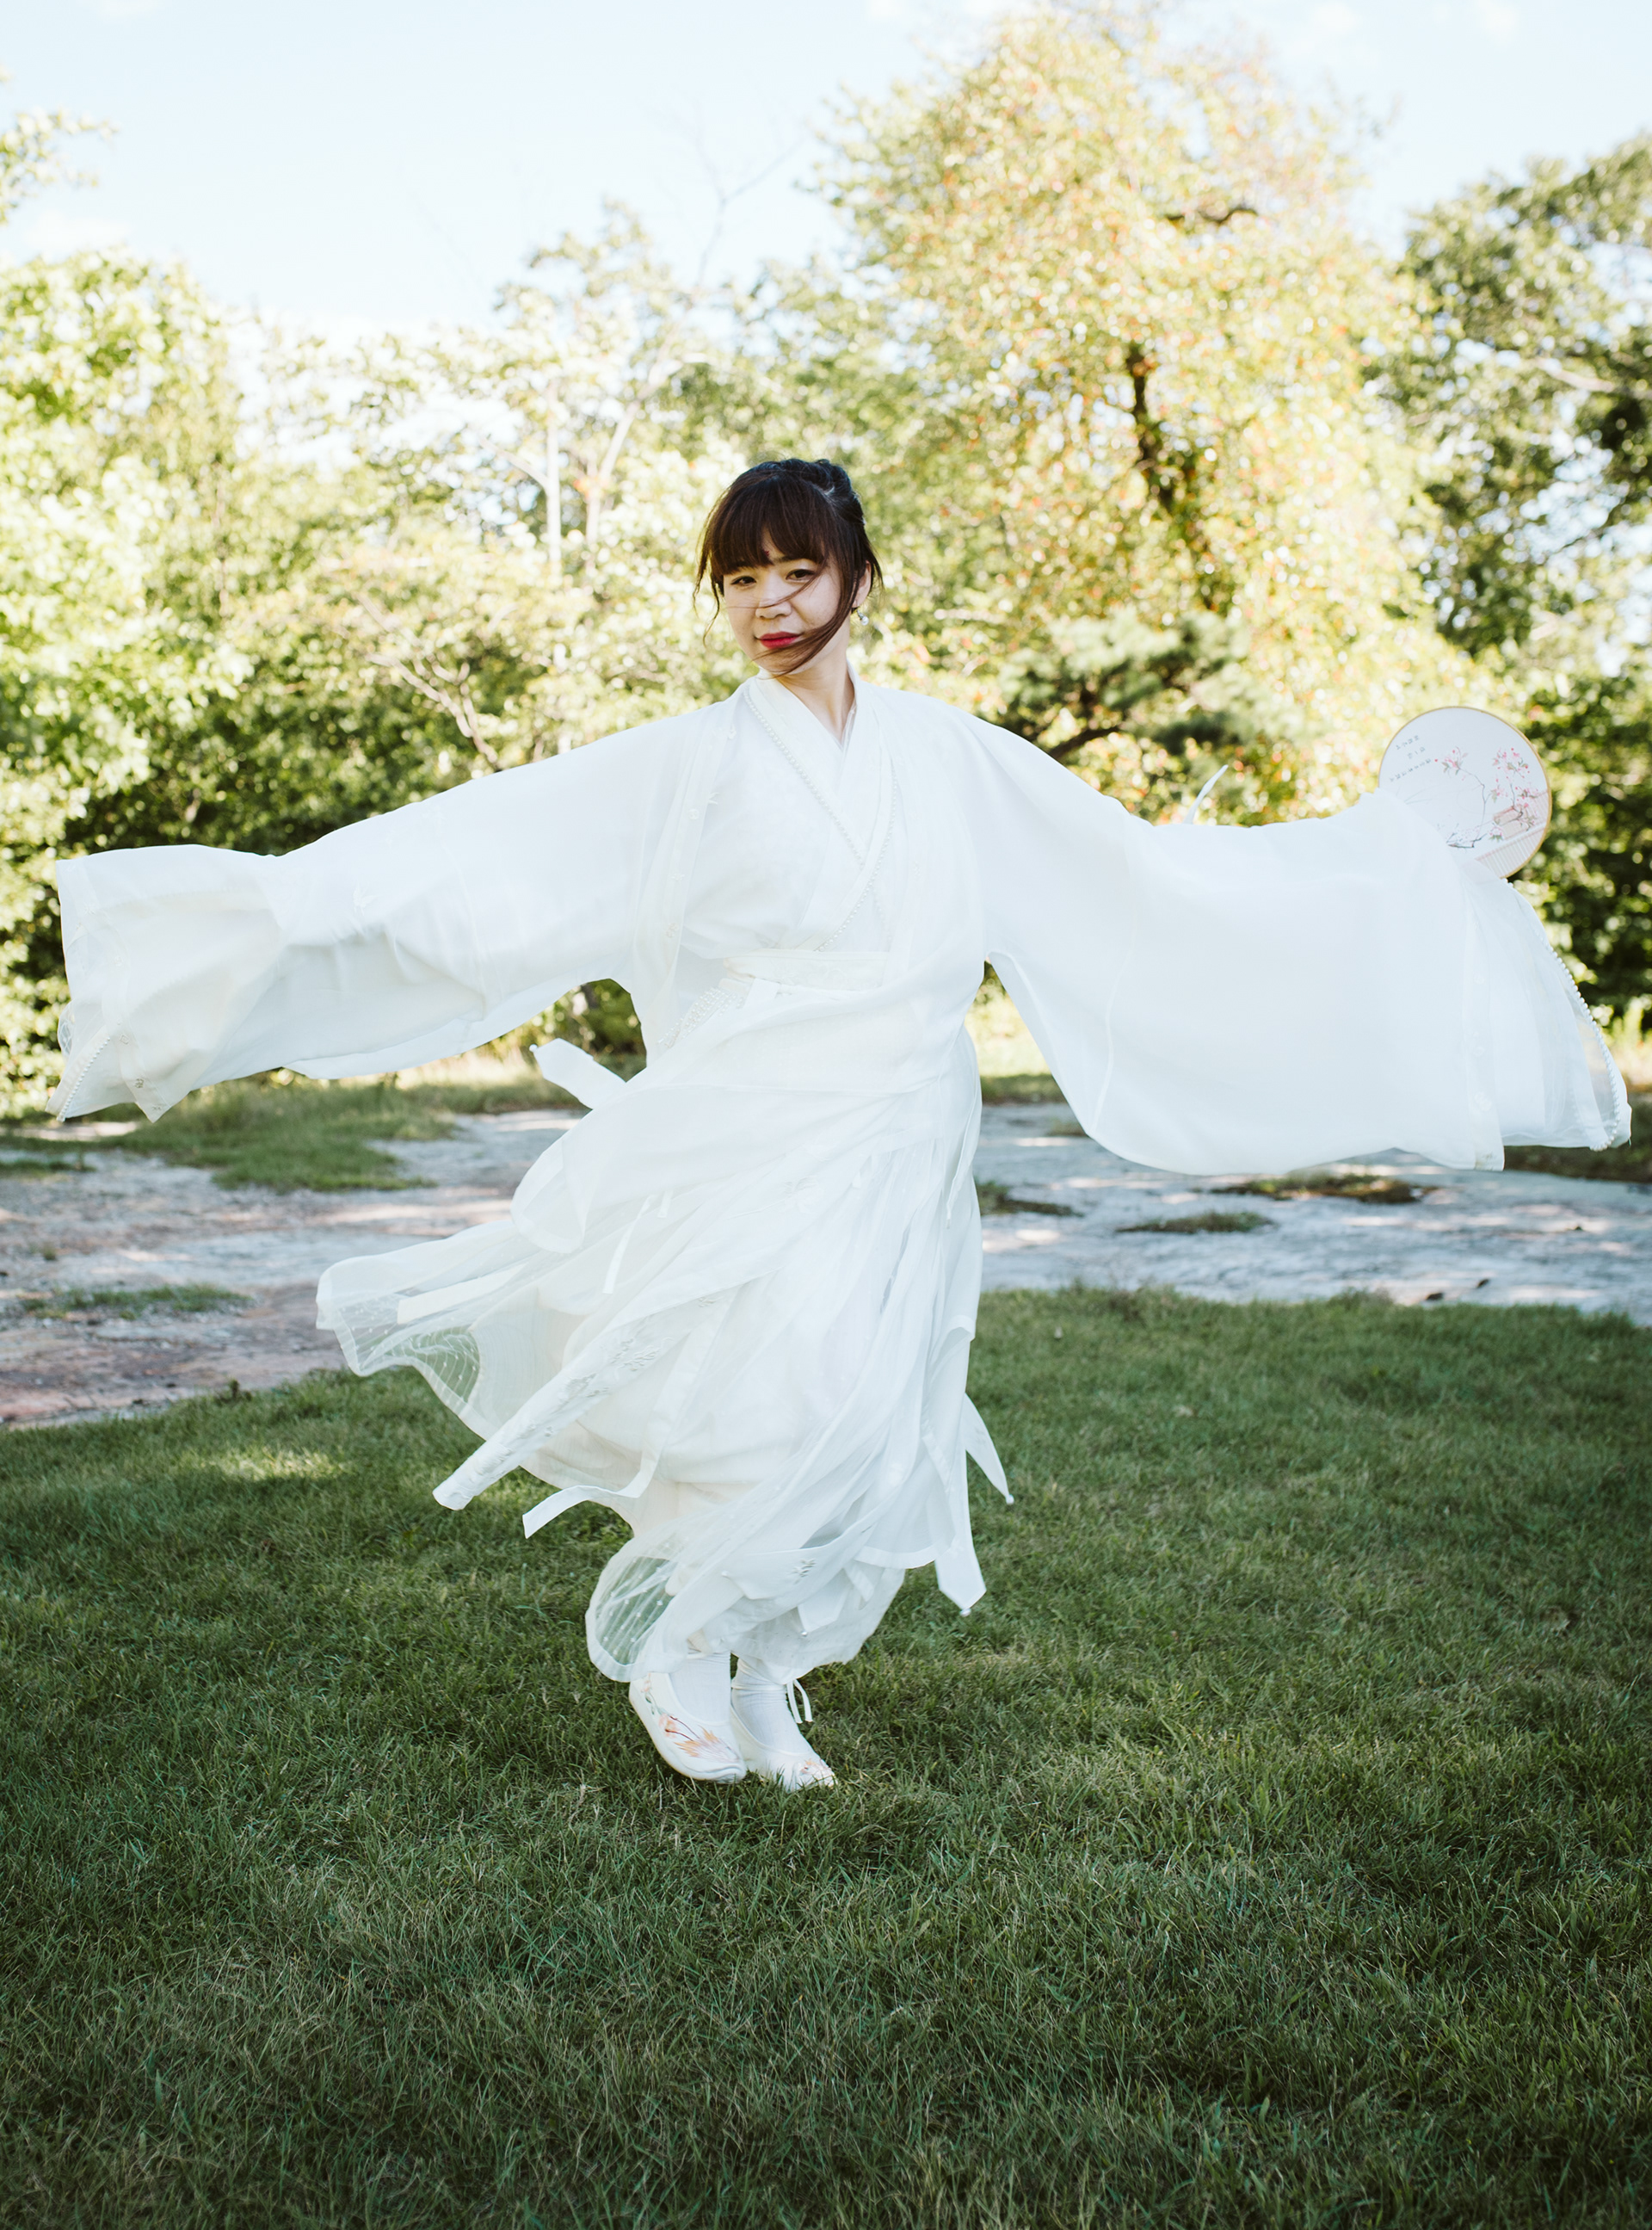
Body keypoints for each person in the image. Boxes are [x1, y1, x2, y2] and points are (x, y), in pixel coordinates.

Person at [49, 458, 1628, 1791]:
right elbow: (484, 861)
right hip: (753, 1116)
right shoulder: (688, 765)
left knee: (874, 1406)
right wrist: (262, 916)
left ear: (860, 577)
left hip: (905, 1121)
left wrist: (1381, 860)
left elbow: (1153, 876)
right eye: (740, 581)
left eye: (798, 571)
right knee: (765, 1383)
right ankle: (684, 1635)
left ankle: (766, 1670)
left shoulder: (951, 757)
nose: (769, 605)